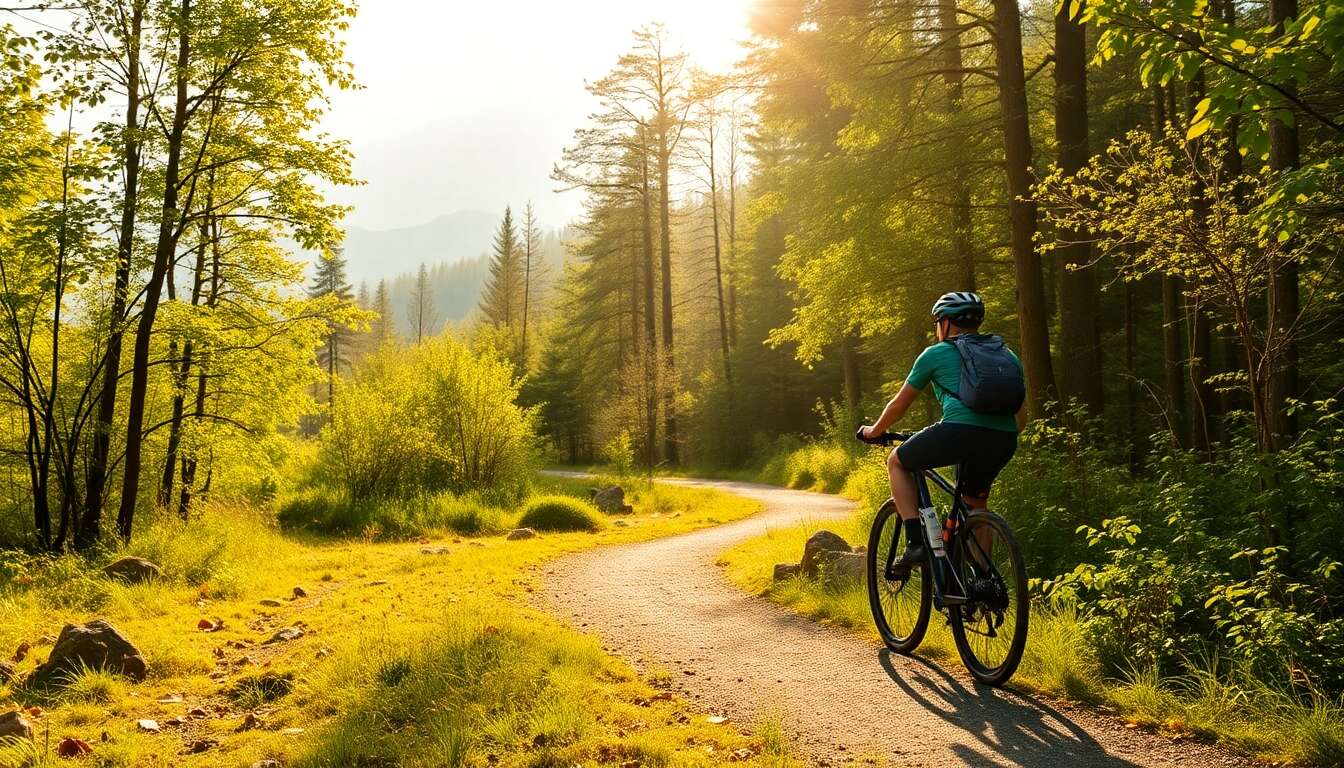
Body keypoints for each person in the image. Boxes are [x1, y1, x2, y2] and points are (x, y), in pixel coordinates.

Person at [858, 291, 1025, 573]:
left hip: (958, 432)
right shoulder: (1007, 355)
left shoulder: (936, 353)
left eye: (938, 322)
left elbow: (900, 405)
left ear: (945, 324)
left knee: (897, 461)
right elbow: (1021, 415)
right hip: (1004, 439)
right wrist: (996, 436)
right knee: (976, 503)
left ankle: (915, 544)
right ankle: (983, 580)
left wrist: (875, 430)